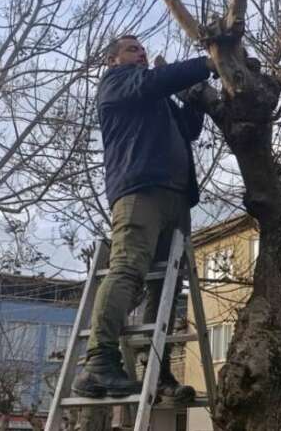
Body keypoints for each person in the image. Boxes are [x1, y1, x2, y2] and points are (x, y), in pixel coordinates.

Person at [72, 35, 214, 401]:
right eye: (133, 49)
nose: (142, 54)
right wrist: (207, 63)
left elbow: (190, 129)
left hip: (176, 197)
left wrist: (195, 100)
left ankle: (158, 371)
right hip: (140, 191)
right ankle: (98, 362)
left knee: (165, 285)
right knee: (129, 267)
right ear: (112, 60)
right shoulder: (118, 83)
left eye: (144, 50)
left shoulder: (157, 100)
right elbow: (154, 81)